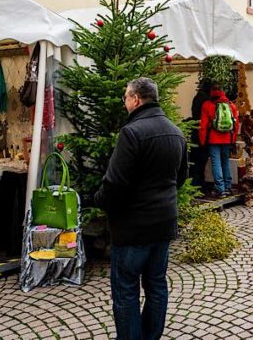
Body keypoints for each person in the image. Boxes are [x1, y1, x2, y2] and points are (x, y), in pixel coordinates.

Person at [95, 78, 188, 340]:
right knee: (157, 285)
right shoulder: (175, 131)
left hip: (133, 229)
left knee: (126, 290)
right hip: (163, 224)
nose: (125, 102)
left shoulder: (132, 133)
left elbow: (115, 184)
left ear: (136, 99)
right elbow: (179, 179)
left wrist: (98, 199)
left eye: (126, 97)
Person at [198, 86, 240, 197]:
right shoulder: (231, 106)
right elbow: (235, 125)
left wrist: (202, 141)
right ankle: (228, 186)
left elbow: (203, 126)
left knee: (216, 163)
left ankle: (220, 189)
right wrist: (233, 139)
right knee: (225, 161)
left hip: (213, 139)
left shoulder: (207, 105)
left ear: (212, 92)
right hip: (227, 139)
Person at [189, 81, 212, 191]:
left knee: (195, 160)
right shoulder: (207, 100)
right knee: (201, 161)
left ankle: (195, 184)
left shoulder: (197, 97)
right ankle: (199, 184)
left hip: (195, 131)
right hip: (203, 134)